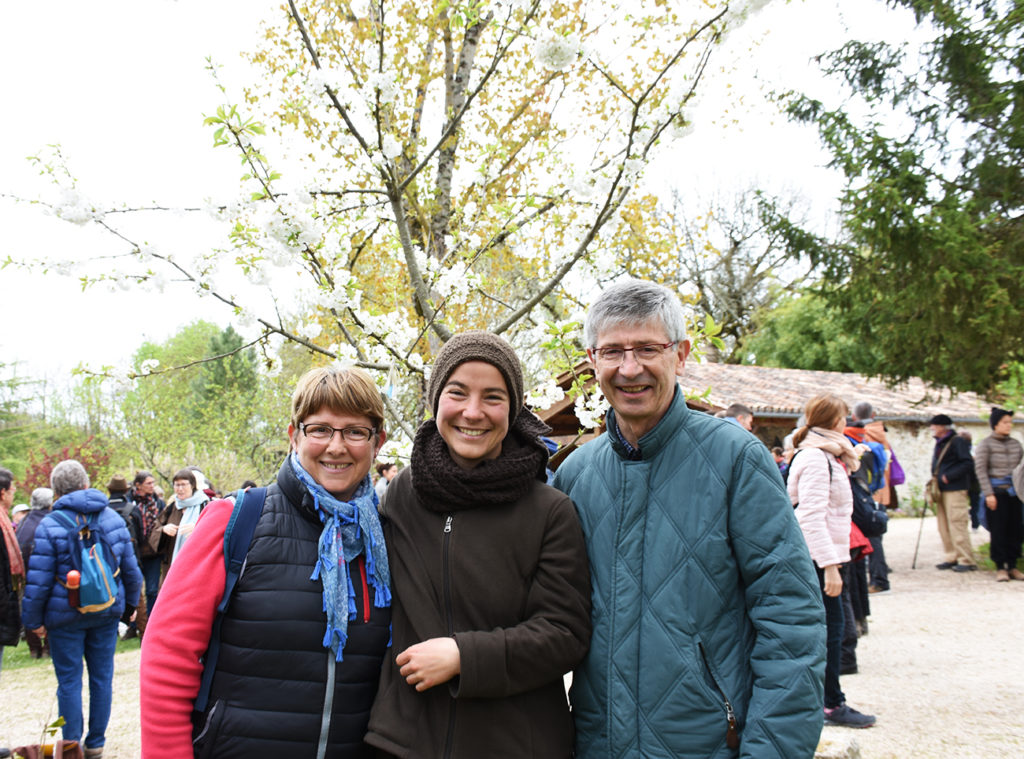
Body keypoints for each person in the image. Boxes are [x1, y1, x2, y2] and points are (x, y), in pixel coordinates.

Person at [553, 279, 825, 758]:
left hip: (709, 743)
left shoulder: (736, 459)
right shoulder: (575, 474)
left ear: (680, 354)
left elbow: (790, 619)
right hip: (598, 744)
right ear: (592, 360)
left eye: (647, 348)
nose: (629, 367)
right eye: (613, 351)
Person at [140, 366, 392, 758]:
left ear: (378, 442)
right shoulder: (236, 520)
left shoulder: (387, 539)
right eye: (320, 429)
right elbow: (168, 654)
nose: (337, 446)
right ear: (294, 436)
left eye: (355, 431)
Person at [365, 331, 591, 758]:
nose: (473, 412)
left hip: (514, 743)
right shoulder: (403, 494)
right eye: (457, 393)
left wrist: (464, 657)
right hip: (404, 741)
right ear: (436, 400)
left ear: (514, 409)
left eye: (493, 397)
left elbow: (565, 633)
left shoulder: (549, 511)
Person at [20, 459, 143, 759]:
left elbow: (39, 580)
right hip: (106, 612)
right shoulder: (112, 518)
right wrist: (130, 607)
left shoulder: (50, 525)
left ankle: (72, 744)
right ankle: (96, 743)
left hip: (64, 617)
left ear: (56, 491)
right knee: (102, 678)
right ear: (87, 484)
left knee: (69, 682)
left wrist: (33, 622)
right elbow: (131, 569)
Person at [788, 394, 877, 729]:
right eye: (842, 416)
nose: (845, 421)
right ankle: (829, 704)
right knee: (829, 632)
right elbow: (809, 518)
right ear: (834, 420)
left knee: (831, 631)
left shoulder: (828, 454)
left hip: (829, 556)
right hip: (819, 560)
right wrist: (829, 566)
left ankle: (826, 701)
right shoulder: (815, 458)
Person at [974, 408, 1024, 581]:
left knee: (1016, 530)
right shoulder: (985, 445)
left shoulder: (1016, 445)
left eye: (1010, 422)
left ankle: (1013, 565)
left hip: (1015, 492)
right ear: (995, 424)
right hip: (996, 492)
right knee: (998, 530)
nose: (1008, 425)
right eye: (1005, 422)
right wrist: (988, 494)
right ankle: (1000, 566)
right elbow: (980, 470)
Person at [849, 401, 894, 594]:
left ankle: (878, 580)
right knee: (875, 535)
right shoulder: (880, 436)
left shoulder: (857, 439)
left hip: (863, 494)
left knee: (870, 537)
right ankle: (879, 576)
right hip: (878, 491)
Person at [927, 414, 977, 572]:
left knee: (957, 523)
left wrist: (949, 476)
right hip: (942, 489)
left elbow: (967, 463)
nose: (932, 428)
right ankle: (951, 556)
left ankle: (966, 559)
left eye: (934, 425)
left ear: (942, 427)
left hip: (955, 488)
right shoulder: (941, 442)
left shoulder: (958, 441)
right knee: (943, 525)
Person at [16, 487, 54, 658]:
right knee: (49, 606)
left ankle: (34, 648)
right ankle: (47, 647)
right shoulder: (49, 521)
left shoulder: (24, 522)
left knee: (29, 606)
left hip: (24, 573)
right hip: (43, 572)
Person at [107, 475, 147, 638]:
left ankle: (112, 631)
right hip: (131, 557)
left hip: (108, 559)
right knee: (137, 596)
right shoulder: (132, 509)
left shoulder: (103, 511)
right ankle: (144, 632)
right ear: (126, 490)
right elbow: (141, 536)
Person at [149, 468, 210, 569]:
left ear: (192, 485)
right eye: (177, 485)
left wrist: (199, 529)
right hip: (171, 565)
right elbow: (155, 528)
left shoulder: (205, 505)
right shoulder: (172, 507)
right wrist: (163, 530)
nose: (180, 489)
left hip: (198, 565)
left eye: (184, 484)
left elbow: (216, 531)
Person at [131, 471, 165, 613]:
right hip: (135, 552)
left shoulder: (158, 503)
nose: (152, 486)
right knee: (134, 588)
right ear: (138, 485)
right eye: (148, 483)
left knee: (152, 589)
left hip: (153, 552)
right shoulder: (131, 503)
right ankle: (134, 624)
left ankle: (151, 620)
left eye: (153, 483)